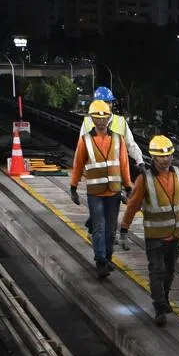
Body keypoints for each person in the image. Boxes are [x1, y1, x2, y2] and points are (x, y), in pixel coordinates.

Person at [119, 134, 179, 326]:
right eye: (161, 157)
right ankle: (159, 306)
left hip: (174, 235)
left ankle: (165, 298)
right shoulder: (144, 179)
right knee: (157, 271)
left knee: (170, 271)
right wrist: (124, 228)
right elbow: (133, 205)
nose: (165, 160)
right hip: (155, 236)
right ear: (153, 158)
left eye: (168, 156)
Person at [69, 98, 130, 278]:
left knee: (111, 228)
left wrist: (128, 186)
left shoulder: (118, 139)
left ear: (109, 119)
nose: (101, 121)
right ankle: (100, 260)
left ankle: (108, 257)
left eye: (104, 118)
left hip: (114, 191)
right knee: (99, 226)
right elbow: (78, 164)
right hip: (95, 192)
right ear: (92, 119)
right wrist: (73, 187)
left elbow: (124, 165)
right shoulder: (85, 140)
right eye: (97, 117)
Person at [79, 85, 143, 165]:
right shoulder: (88, 122)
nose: (107, 105)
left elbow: (130, 145)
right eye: (103, 102)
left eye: (109, 102)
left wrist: (140, 160)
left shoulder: (121, 122)